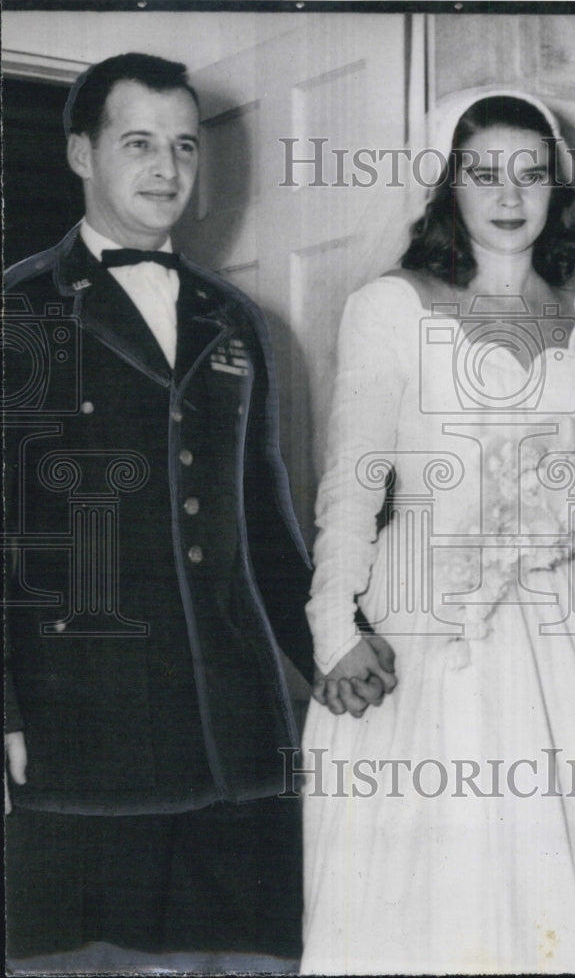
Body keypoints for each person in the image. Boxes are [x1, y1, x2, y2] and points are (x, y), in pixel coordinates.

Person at [300, 90, 575, 973]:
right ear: (448, 185)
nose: (509, 192)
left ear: (555, 186)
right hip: (425, 619)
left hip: (563, 633)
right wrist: (334, 632)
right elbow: (352, 481)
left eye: (531, 171)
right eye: (483, 172)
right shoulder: (389, 308)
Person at [2, 52, 331, 968]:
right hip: (80, 741)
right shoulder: (20, 312)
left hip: (234, 738)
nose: (166, 169)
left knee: (249, 961)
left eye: (184, 146)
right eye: (138, 142)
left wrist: (333, 661)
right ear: (79, 152)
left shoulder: (236, 321)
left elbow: (265, 528)